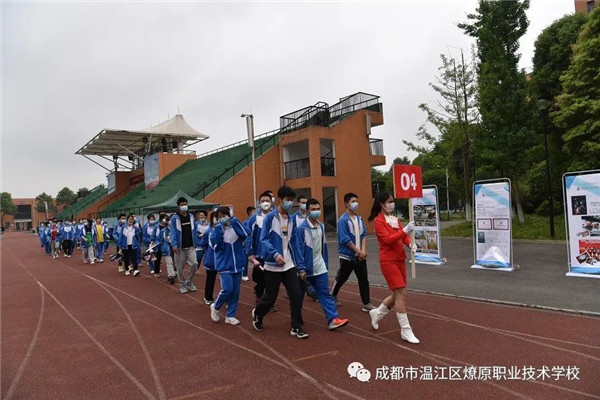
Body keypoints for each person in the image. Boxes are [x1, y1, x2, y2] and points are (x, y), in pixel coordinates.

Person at [252, 186, 308, 339]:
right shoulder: (270, 218)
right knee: (270, 297)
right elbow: (263, 239)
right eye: (287, 200)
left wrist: (300, 267)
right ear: (280, 200)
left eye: (292, 200)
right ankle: (258, 313)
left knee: (296, 295)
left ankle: (297, 326)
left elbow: (294, 243)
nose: (290, 203)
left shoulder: (291, 219)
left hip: (289, 264)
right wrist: (275, 254)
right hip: (273, 265)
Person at [367, 192, 419, 344]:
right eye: (389, 201)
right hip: (388, 261)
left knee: (397, 294)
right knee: (401, 294)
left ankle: (377, 313)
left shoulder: (395, 220)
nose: (392, 204)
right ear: (381, 204)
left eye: (393, 201)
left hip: (400, 259)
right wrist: (405, 231)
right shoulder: (378, 221)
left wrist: (410, 243)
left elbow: (403, 237)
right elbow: (388, 240)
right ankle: (405, 330)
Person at [296, 198, 349, 330]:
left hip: (320, 267)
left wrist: (325, 264)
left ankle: (333, 319)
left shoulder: (322, 226)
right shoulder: (302, 229)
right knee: (298, 296)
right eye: (313, 209)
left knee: (325, 293)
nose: (316, 211)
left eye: (318, 209)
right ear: (307, 211)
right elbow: (298, 249)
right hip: (306, 269)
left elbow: (323, 247)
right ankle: (296, 320)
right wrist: (301, 268)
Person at [331, 193, 375, 311]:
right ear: (346, 204)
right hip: (347, 256)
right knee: (342, 277)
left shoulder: (359, 219)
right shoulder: (343, 220)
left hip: (359, 256)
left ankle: (366, 303)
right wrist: (358, 252)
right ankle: (333, 294)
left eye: (356, 201)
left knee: (363, 279)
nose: (355, 203)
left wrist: (363, 251)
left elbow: (363, 235)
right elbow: (345, 240)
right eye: (352, 201)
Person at [209, 206, 249, 325]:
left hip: (237, 264)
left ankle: (230, 315)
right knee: (227, 289)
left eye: (224, 215)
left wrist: (235, 221)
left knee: (235, 292)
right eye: (219, 217)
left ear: (229, 215)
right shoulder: (216, 230)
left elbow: (246, 233)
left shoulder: (235, 226)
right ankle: (216, 307)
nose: (222, 218)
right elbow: (217, 246)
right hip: (224, 265)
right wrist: (219, 231)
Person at [245, 191, 278, 312]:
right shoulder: (255, 218)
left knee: (272, 280)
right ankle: (259, 298)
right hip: (259, 255)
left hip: (273, 254)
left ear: (271, 202)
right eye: (263, 201)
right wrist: (250, 253)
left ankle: (269, 301)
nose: (265, 203)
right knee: (260, 279)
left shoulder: (276, 216)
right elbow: (248, 236)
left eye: (267, 201)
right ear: (259, 203)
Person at [290, 194, 318, 301]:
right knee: (298, 270)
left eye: (306, 203)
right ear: (298, 204)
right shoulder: (293, 218)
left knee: (309, 270)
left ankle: (311, 290)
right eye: (302, 202)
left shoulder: (311, 217)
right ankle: (296, 291)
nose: (304, 205)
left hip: (310, 248)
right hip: (297, 248)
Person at [170, 197, 199, 294]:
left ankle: (189, 281)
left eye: (185, 204)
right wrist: (174, 244)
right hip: (179, 247)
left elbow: (194, 230)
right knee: (180, 267)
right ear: (178, 206)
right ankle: (182, 284)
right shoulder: (175, 218)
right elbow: (173, 232)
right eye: (182, 205)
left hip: (190, 245)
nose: (184, 206)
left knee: (195, 263)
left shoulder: (191, 216)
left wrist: (195, 241)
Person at [198, 211, 218, 304]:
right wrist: (208, 252)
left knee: (226, 281)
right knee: (210, 279)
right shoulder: (208, 231)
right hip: (211, 260)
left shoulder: (224, 230)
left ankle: (227, 300)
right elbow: (203, 243)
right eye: (215, 217)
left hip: (223, 260)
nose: (217, 219)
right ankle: (208, 297)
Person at [156, 215, 176, 284]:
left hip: (175, 248)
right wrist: (156, 243)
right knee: (169, 262)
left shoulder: (177, 230)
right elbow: (158, 239)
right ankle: (171, 276)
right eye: (169, 220)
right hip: (167, 249)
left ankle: (174, 273)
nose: (170, 222)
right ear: (167, 221)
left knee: (175, 262)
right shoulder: (163, 231)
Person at [194, 210, 210, 275]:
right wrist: (197, 235)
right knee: (198, 258)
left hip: (207, 244)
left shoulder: (209, 224)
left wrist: (205, 235)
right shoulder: (196, 224)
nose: (201, 217)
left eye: (202, 215)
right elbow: (194, 233)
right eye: (200, 215)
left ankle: (208, 270)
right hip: (199, 244)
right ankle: (196, 269)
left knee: (207, 258)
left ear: (205, 216)